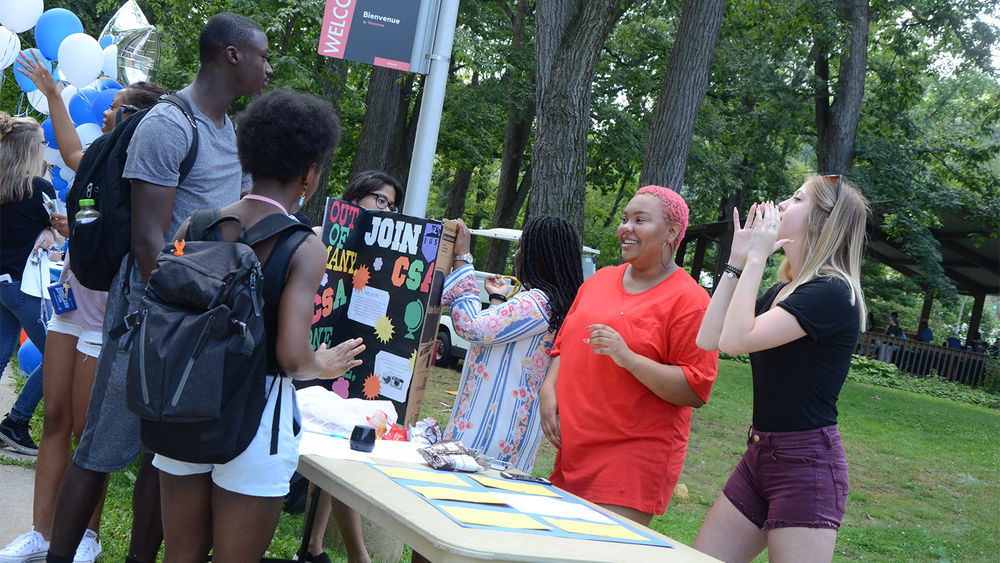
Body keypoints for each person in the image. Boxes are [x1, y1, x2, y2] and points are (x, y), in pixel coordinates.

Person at [44, 13, 273, 563]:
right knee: (102, 447)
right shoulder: (169, 126)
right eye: (263, 56)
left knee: (164, 457)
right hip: (152, 314)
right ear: (232, 55)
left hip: (194, 316)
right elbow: (149, 245)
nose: (268, 68)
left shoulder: (229, 132)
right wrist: (191, 315)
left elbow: (230, 221)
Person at [155, 88, 347, 562]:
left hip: (182, 400)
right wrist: (321, 364)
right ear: (309, 173)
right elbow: (290, 356)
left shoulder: (194, 228)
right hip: (258, 416)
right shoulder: (303, 247)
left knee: (180, 556)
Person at [0, 55, 167, 563]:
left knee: (84, 431)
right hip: (69, 305)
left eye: (117, 108)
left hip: (107, 313)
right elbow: (71, 148)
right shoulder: (98, 157)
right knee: (54, 421)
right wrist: (52, 94)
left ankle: (86, 540)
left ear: (140, 119)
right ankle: (41, 534)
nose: (108, 112)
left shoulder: (148, 173)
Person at [692, 174, 869, 562]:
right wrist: (738, 261)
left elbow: (738, 340)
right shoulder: (785, 290)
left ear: (823, 221)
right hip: (761, 454)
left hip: (807, 467)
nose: (782, 204)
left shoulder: (831, 292)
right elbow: (711, 338)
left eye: (797, 198)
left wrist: (757, 257)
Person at [539, 185, 718, 526]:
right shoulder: (600, 280)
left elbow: (695, 388)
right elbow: (565, 341)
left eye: (640, 220)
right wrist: (549, 388)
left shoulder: (690, 301)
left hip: (630, 458)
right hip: (575, 449)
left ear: (671, 232)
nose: (626, 228)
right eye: (624, 219)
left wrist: (628, 357)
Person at [296, 169, 402, 563]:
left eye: (392, 205)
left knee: (340, 453)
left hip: (345, 362)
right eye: (380, 200)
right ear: (355, 198)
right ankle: (351, 555)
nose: (386, 210)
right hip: (301, 358)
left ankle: (315, 546)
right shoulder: (318, 235)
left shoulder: (378, 255)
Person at [0, 114, 56, 456]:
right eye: (42, 143)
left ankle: (14, 424)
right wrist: (51, 231)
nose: (46, 148)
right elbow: (62, 228)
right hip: (22, 288)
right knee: (58, 356)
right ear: (30, 149)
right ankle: (17, 421)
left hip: (2, 284)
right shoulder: (38, 189)